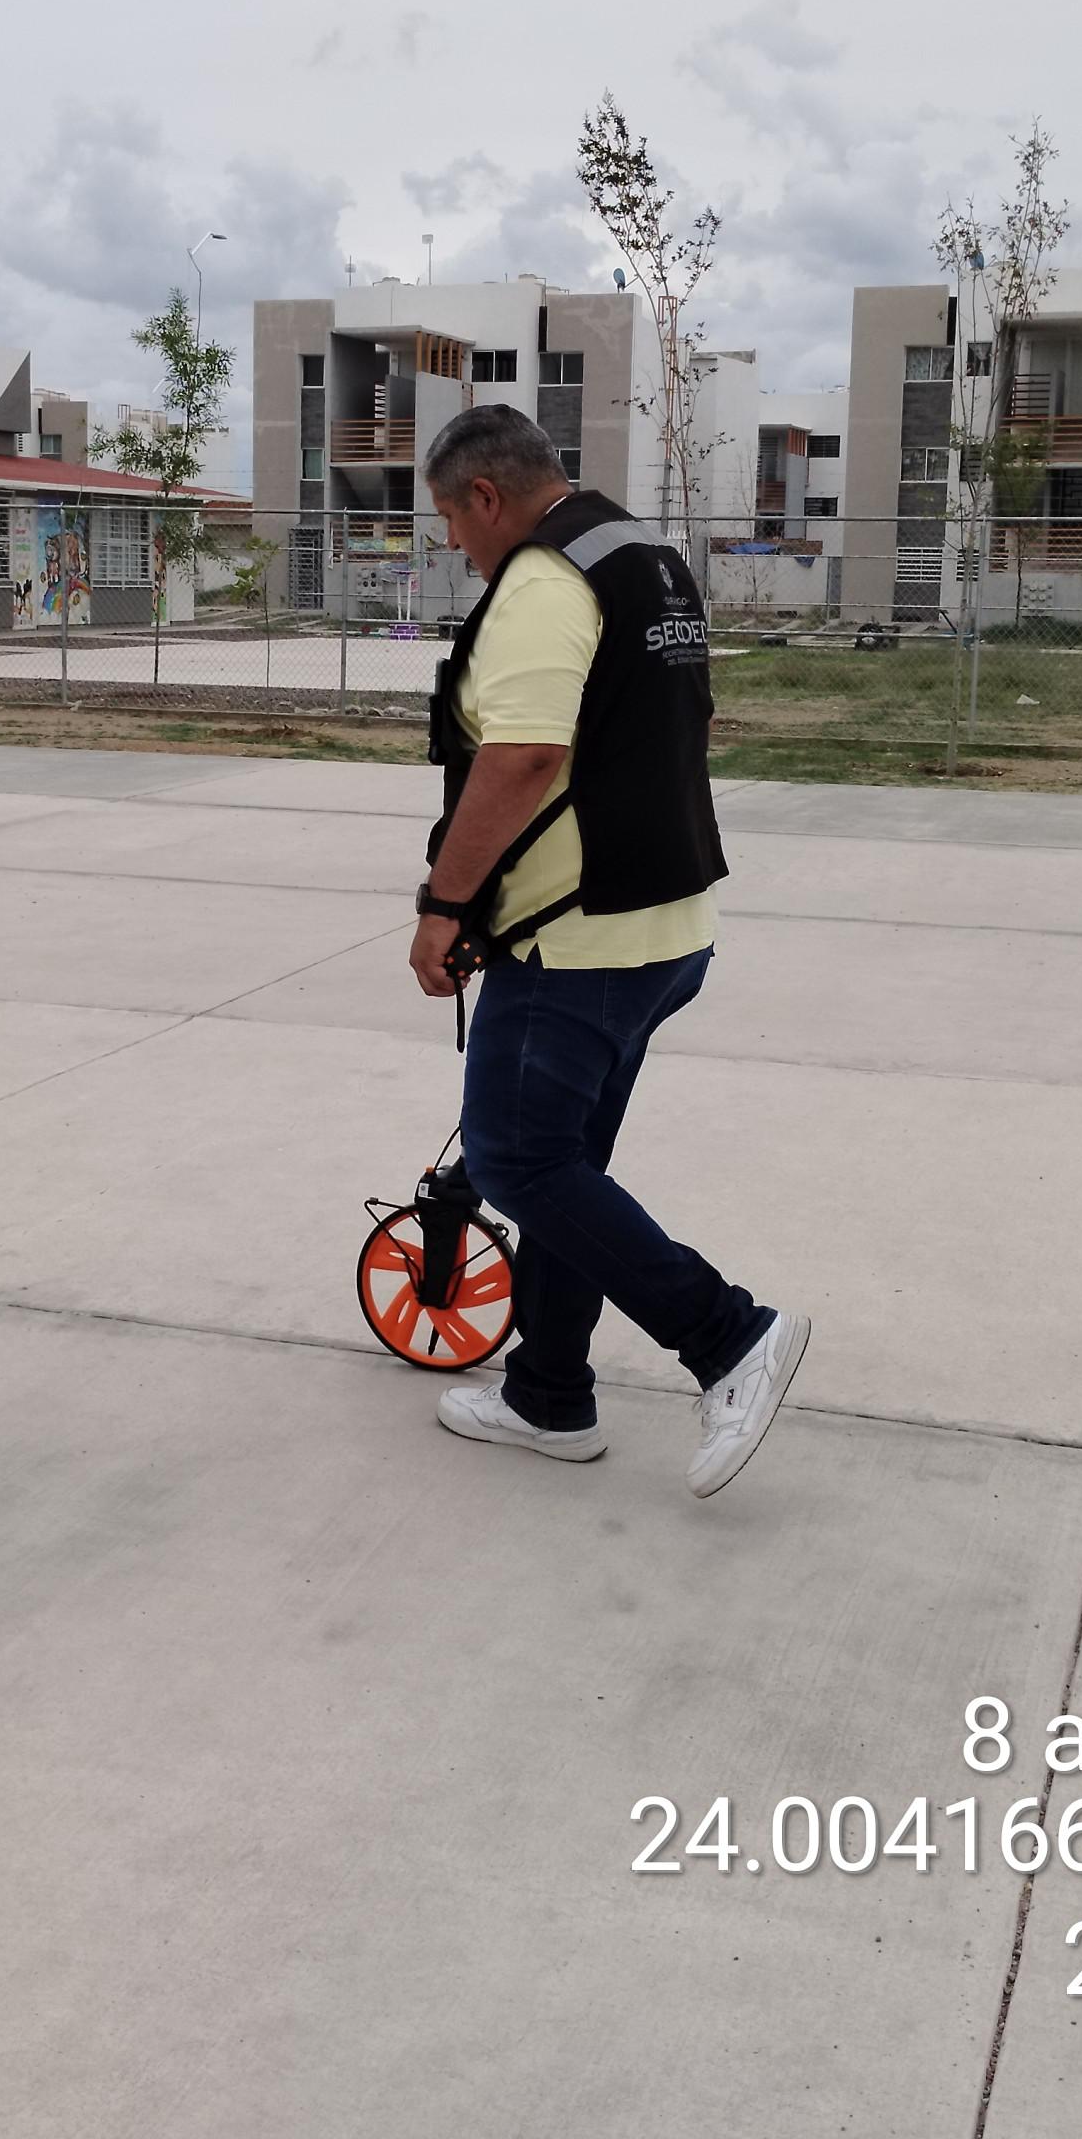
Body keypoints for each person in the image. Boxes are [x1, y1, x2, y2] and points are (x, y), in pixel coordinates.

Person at [407, 402, 811, 1497]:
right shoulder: (645, 559)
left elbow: (523, 756)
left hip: (576, 941)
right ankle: (548, 1395)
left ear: (486, 495)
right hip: (662, 925)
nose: (454, 542)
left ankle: (729, 1337)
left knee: (515, 1158)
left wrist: (446, 904)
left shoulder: (544, 580)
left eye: (451, 518)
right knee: (561, 1163)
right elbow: (672, 728)